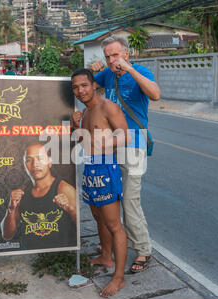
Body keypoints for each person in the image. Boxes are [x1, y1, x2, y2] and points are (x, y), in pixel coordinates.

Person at [90, 35, 161, 273]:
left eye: (115, 55)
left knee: (130, 200)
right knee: (109, 198)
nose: (111, 60)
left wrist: (130, 70)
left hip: (133, 144)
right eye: (107, 57)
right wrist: (92, 70)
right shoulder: (107, 74)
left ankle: (143, 249)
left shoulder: (139, 71)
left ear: (126, 54)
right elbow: (85, 86)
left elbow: (155, 94)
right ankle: (111, 245)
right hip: (109, 145)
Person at [71, 68, 130, 297]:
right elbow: (82, 142)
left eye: (84, 85)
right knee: (98, 216)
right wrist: (75, 127)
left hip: (106, 168)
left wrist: (104, 145)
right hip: (89, 169)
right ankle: (106, 255)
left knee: (115, 224)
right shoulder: (84, 113)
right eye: (75, 87)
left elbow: (125, 135)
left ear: (94, 85)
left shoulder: (108, 107)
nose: (80, 91)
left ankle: (119, 277)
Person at [1, 143, 77, 250]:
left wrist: (71, 210)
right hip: (29, 256)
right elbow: (7, 235)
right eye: (29, 160)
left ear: (49, 162)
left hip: (58, 255)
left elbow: (80, 228)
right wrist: (11, 209)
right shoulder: (22, 192)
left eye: (40, 158)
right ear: (24, 165)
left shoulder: (64, 189)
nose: (34, 164)